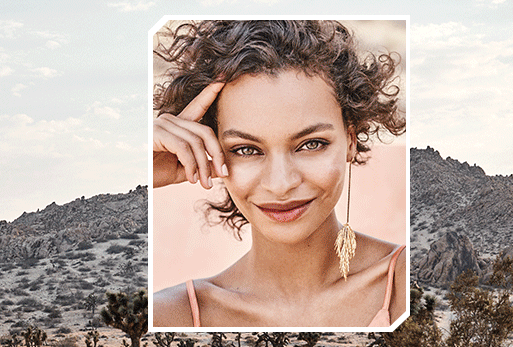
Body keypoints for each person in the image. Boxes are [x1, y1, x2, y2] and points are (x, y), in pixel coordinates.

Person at [151, 20, 407, 327]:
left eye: (311, 144)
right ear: (210, 149)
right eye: (246, 149)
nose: (281, 184)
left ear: (350, 141)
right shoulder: (171, 316)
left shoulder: (408, 283)